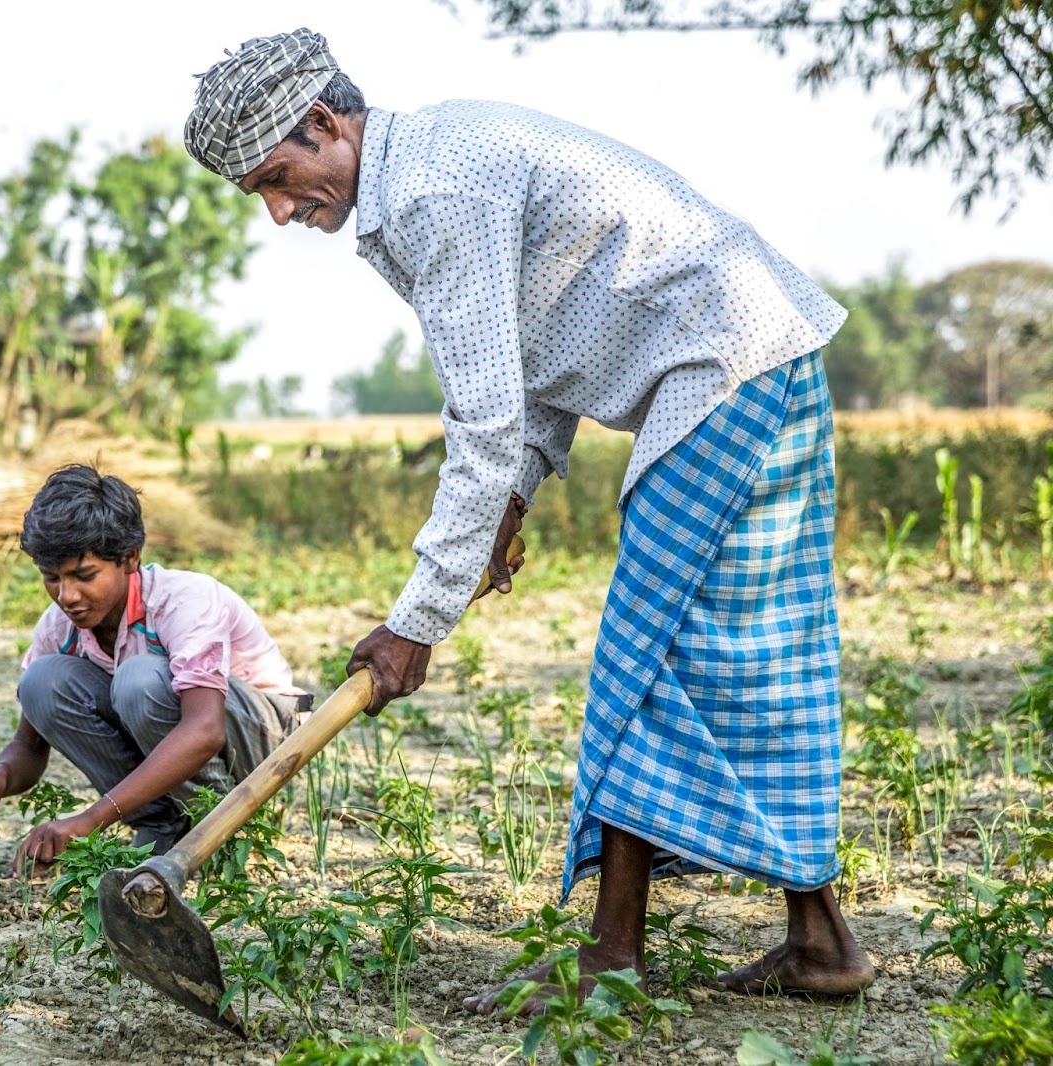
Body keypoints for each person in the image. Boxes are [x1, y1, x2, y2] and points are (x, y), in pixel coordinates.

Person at [183, 29, 874, 1009]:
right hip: (764, 358)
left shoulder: (432, 195)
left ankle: (614, 954)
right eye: (257, 192)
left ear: (326, 124)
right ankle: (820, 939)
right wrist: (514, 495)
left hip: (724, 371)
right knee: (739, 653)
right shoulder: (418, 176)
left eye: (277, 177)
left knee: (649, 656)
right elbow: (544, 353)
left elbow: (483, 418)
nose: (279, 210)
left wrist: (413, 624)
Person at [0, 464, 306, 874]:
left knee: (139, 681)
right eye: (51, 578)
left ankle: (222, 830)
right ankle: (161, 825)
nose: (66, 595)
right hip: (192, 734)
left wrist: (91, 820)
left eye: (84, 576)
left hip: (265, 740)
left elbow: (205, 730)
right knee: (42, 681)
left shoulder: (184, 601)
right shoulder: (58, 627)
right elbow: (29, 748)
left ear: (130, 558)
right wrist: (0, 774)